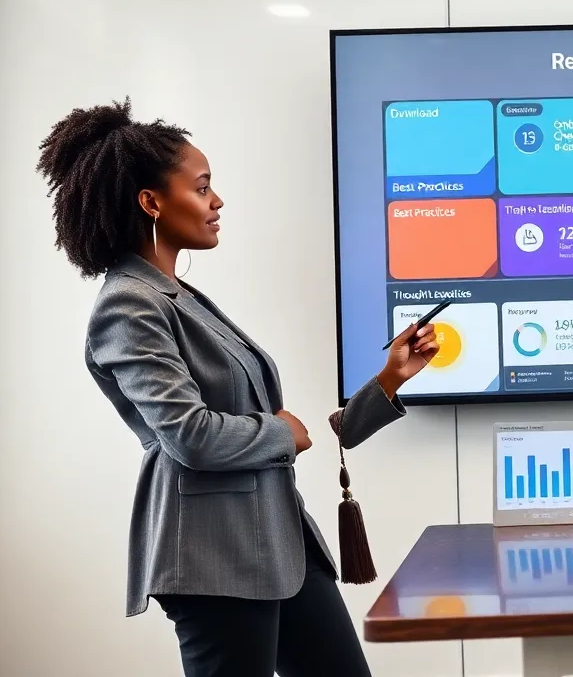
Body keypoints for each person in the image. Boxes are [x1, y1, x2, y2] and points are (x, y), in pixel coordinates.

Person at [35, 98, 439, 677]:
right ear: (152, 202)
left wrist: (390, 380)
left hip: (280, 545)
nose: (217, 202)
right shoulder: (128, 303)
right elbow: (190, 435)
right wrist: (279, 432)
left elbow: (274, 423)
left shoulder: (180, 296)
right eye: (201, 188)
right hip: (215, 557)